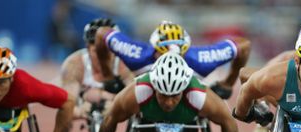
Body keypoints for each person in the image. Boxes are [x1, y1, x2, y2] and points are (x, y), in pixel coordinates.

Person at [90, 52, 242, 132]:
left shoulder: (199, 94)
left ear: (184, 88)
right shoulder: (138, 91)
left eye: (175, 95)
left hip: (187, 126)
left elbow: (227, 120)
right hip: (148, 124)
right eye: (163, 95)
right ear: (154, 87)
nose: (169, 103)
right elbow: (111, 117)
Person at [94, 20, 251, 99]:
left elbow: (244, 45)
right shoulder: (137, 54)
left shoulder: (201, 59)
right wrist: (107, 76)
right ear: (154, 50)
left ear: (186, 49)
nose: (170, 61)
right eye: (163, 56)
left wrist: (229, 83)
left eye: (177, 57)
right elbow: (101, 33)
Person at [60, 18, 133, 120]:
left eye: (106, 51)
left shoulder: (125, 63)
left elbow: (137, 100)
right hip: (86, 103)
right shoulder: (74, 64)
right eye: (96, 51)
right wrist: (80, 111)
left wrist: (115, 104)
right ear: (88, 48)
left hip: (116, 99)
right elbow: (66, 106)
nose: (101, 56)